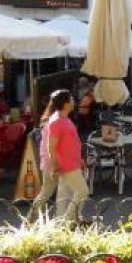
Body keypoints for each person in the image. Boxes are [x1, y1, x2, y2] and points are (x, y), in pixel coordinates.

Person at [28, 90, 90, 224]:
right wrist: (54, 167)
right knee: (78, 192)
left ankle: (61, 222)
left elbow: (70, 142)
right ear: (65, 103)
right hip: (61, 164)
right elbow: (51, 147)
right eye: (71, 100)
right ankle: (67, 220)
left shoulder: (63, 118)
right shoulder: (56, 121)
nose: (74, 102)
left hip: (66, 163)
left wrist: (79, 159)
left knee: (62, 194)